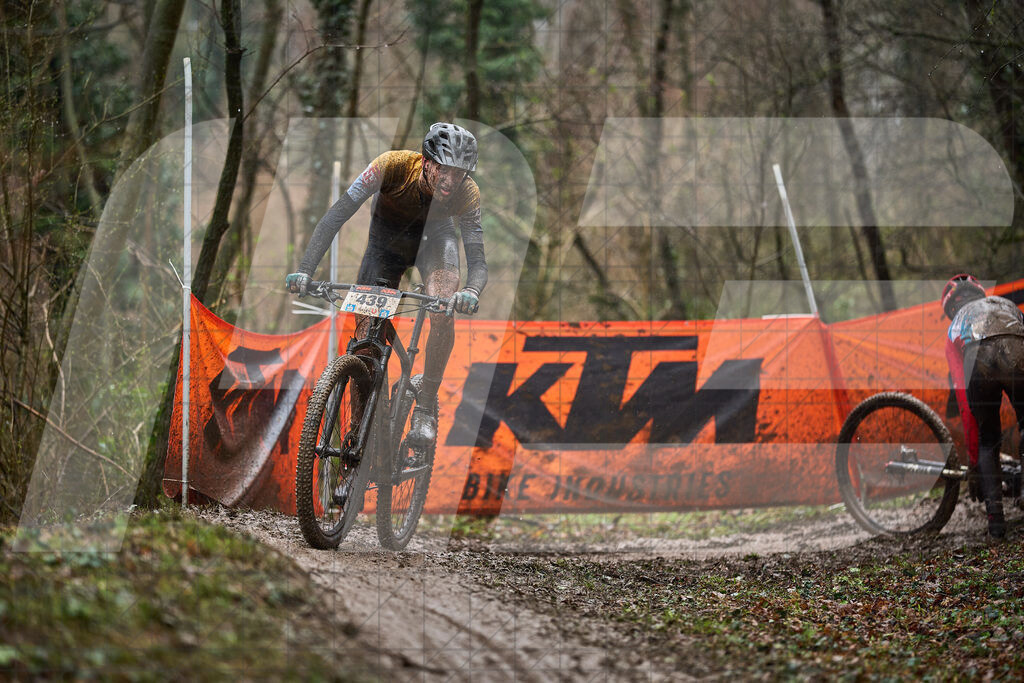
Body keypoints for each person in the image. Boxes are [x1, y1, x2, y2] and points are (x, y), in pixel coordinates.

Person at [286, 122, 486, 448]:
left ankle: (424, 407)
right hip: (385, 246)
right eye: (444, 169)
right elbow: (338, 214)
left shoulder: (468, 193)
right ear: (426, 161)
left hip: (435, 245)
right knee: (365, 343)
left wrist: (471, 292)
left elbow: (477, 260)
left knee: (442, 310)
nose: (451, 180)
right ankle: (358, 435)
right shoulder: (390, 165)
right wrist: (306, 269)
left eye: (460, 173)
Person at [943, 273, 1024, 539]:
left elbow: (965, 406)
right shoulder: (1005, 305)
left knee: (989, 439)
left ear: (951, 308)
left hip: (978, 356)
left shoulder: (955, 325)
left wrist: (975, 462)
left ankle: (996, 524)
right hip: (1016, 347)